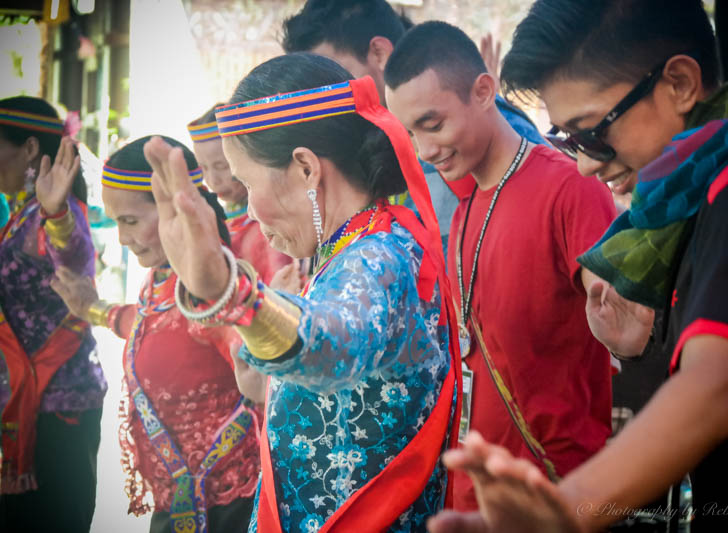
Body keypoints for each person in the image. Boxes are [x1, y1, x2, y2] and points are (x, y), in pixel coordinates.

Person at [429, 0, 728, 531]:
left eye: (592, 131)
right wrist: (643, 345)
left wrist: (568, 509)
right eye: (565, 138)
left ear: (680, 83)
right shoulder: (693, 195)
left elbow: (714, 386)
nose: (584, 162)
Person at [141, 52, 460, 532]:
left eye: (248, 182)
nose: (247, 205)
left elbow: (328, 341)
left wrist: (230, 291)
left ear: (307, 169)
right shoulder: (358, 246)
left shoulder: (378, 259)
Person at [384, 21, 616, 512]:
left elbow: (624, 329)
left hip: (557, 493)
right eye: (410, 132)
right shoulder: (465, 199)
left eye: (433, 123)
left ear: (484, 91)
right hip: (480, 488)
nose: (425, 150)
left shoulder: (570, 188)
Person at [50, 136, 261, 533]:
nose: (122, 238)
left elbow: (253, 356)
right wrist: (94, 309)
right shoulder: (164, 277)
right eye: (115, 221)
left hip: (226, 505)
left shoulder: (208, 288)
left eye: (129, 221)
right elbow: (155, 325)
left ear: (173, 211)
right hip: (185, 499)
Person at [281, 0, 546, 254]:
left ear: (379, 53)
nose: (329, 103)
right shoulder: (387, 141)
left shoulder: (477, 140)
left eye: (335, 80)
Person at [0, 97, 107, 532]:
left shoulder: (54, 214)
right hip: (24, 399)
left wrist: (56, 213)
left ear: (28, 149)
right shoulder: (19, 214)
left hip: (57, 405)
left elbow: (75, 265)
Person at [188, 106, 294, 286]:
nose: (213, 180)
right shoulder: (214, 220)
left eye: (222, 166)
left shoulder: (270, 222)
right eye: (203, 168)